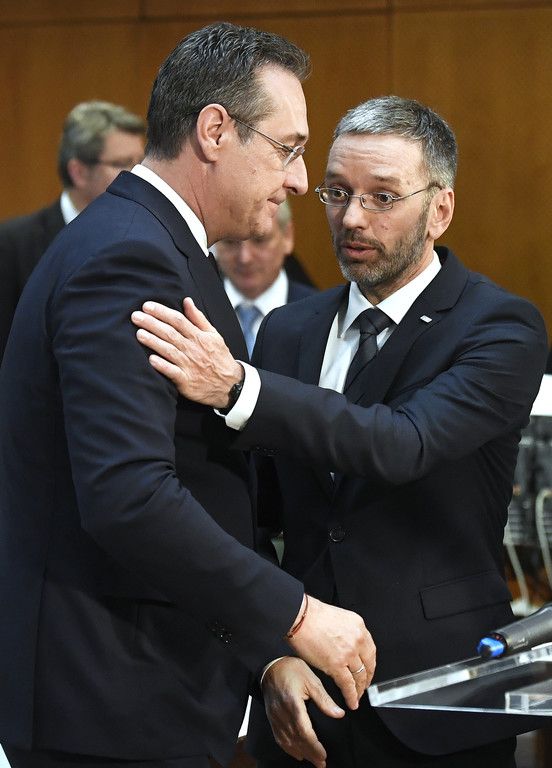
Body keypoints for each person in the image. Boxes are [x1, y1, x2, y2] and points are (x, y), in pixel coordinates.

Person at [131, 95, 549, 768]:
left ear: (440, 209)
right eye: (337, 192)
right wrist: (267, 651)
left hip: (439, 697)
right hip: (300, 693)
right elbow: (246, 510)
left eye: (383, 197)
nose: (352, 218)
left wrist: (240, 389)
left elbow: (402, 442)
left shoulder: (500, 326)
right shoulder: (288, 329)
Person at [0, 23, 376, 768]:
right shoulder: (131, 254)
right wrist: (296, 616)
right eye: (288, 149)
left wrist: (266, 649)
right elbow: (128, 494)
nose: (299, 181)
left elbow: (205, 481)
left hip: (137, 689)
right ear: (214, 131)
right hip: (109, 698)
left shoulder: (155, 242)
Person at [0, 99, 146, 363]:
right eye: (123, 163)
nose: (137, 175)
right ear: (78, 172)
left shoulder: (147, 239)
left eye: (141, 162)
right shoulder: (12, 244)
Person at [215, 200, 316, 355]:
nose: (245, 258)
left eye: (260, 240)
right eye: (230, 242)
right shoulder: (192, 308)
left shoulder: (320, 316)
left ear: (287, 236)